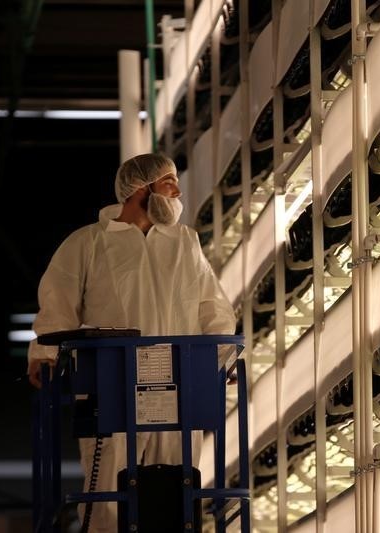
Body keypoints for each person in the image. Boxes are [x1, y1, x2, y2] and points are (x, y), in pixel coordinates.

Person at [27, 153, 237, 532]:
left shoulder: (184, 241)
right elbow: (58, 302)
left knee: (178, 487)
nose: (177, 192)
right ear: (142, 188)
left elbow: (211, 304)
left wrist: (222, 357)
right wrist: (44, 354)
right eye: (169, 182)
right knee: (107, 492)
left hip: (178, 386)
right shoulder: (88, 243)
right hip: (111, 386)